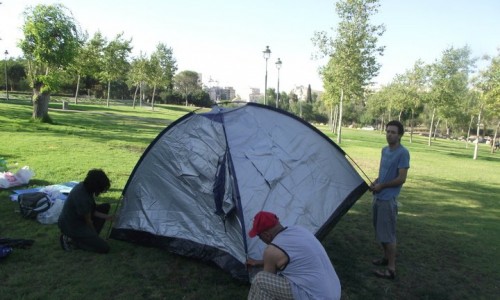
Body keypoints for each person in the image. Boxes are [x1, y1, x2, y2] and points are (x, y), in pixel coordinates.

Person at [246, 211, 341, 300]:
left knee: (260, 281)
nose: (260, 239)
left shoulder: (272, 250)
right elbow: (291, 259)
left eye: (259, 236)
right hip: (333, 293)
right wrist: (257, 263)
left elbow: (269, 278)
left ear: (267, 235)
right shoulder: (299, 230)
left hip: (314, 297)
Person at [370, 120, 410, 280]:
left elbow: (401, 178)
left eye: (393, 132)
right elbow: (383, 172)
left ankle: (391, 268)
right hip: (378, 196)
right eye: (388, 131)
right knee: (381, 231)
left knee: (389, 235)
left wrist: (383, 186)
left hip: (388, 199)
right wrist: (376, 182)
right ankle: (385, 258)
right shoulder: (384, 150)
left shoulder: (403, 153)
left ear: (400, 135)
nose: (390, 134)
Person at [58, 169, 114, 254]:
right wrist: (95, 236)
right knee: (104, 248)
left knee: (105, 207)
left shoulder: (84, 186)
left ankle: (89, 239)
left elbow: (91, 211)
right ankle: (71, 240)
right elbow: (88, 221)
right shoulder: (82, 198)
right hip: (72, 226)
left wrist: (109, 217)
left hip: (78, 218)